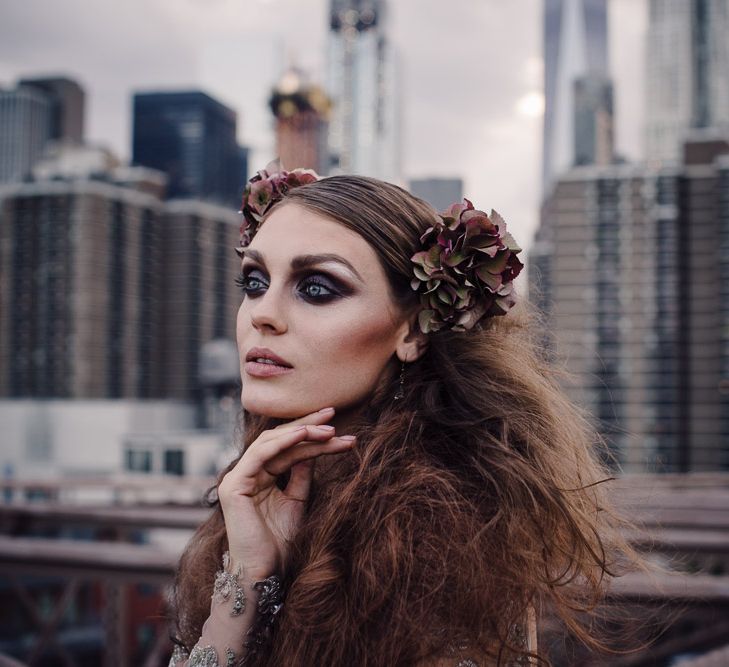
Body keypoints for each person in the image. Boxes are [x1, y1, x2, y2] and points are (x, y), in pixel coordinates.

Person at [167, 164, 638, 666]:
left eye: (317, 288)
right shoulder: (255, 502)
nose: (262, 313)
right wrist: (244, 579)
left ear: (412, 333)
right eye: (255, 280)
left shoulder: (451, 548)